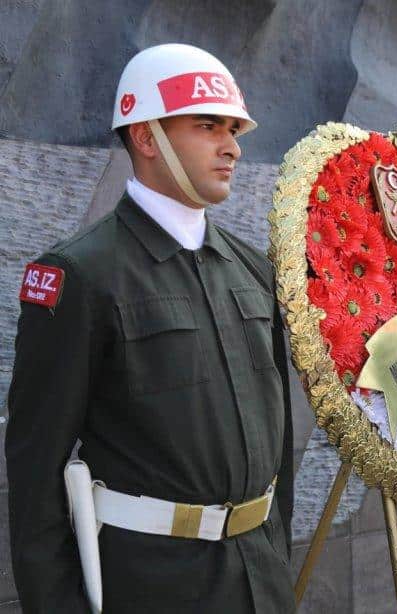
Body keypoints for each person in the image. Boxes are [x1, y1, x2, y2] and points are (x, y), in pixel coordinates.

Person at [5, 44, 295, 613]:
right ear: (145, 137)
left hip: (260, 579)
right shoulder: (81, 274)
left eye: (234, 129)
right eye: (207, 126)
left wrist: (276, 560)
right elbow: (36, 468)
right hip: (152, 585)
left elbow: (276, 439)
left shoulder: (253, 267)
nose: (232, 146)